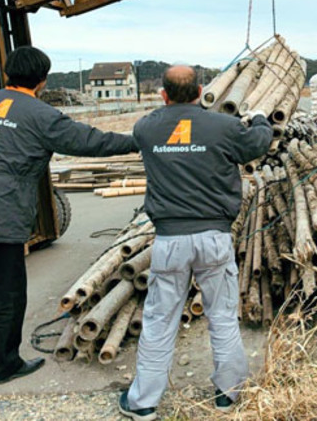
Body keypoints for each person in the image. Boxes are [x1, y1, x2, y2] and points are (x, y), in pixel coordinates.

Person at [119, 65, 272, 421]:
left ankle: (143, 403)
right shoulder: (225, 126)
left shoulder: (146, 127)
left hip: (170, 240)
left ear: (163, 93)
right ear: (201, 90)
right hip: (214, 238)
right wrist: (261, 118)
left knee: (159, 320)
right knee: (221, 315)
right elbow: (258, 143)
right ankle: (228, 395)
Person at [0, 46, 138, 385]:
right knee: (6, 297)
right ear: (42, 81)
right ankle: (3, 365)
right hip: (1, 217)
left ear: (8, 73)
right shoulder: (41, 115)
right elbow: (90, 142)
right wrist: (137, 140)